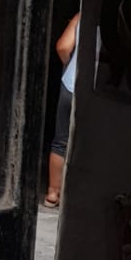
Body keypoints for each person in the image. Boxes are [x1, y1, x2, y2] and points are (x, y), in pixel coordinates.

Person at [44, 13, 79, 208]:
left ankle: (53, 192)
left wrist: (69, 65)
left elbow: (63, 47)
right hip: (101, 91)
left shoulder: (83, 15)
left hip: (71, 84)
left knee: (61, 141)